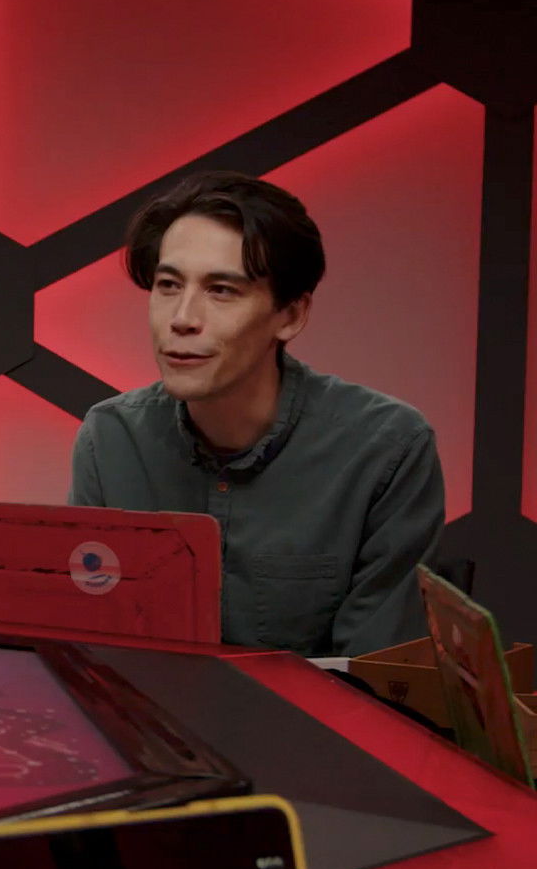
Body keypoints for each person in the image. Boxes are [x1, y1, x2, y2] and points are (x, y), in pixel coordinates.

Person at [68, 171, 443, 657]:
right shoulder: (110, 438)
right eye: (168, 285)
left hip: (307, 711)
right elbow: (89, 645)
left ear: (290, 315)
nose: (182, 318)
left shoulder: (388, 449)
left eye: (222, 290)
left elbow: (376, 678)